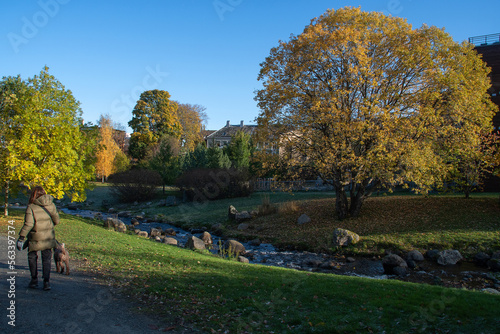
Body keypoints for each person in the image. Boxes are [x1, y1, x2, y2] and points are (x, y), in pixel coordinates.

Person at [16, 186, 60, 291]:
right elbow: (57, 220)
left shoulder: (31, 207)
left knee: (32, 257)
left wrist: (21, 237)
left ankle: (34, 280)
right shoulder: (51, 205)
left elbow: (28, 224)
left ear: (33, 195)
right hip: (48, 237)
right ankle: (46, 282)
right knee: (46, 259)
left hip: (34, 237)